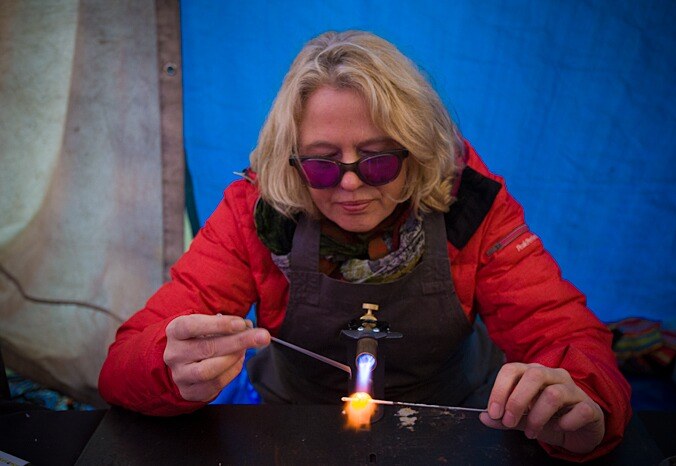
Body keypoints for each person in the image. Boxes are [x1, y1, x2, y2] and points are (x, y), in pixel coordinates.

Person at [98, 30, 631, 461]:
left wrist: (581, 401)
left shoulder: (469, 205)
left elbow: (564, 333)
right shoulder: (257, 213)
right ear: (291, 160)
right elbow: (124, 364)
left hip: (459, 424)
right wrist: (166, 367)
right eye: (322, 164)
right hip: (296, 431)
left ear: (416, 149)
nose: (351, 185)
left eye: (378, 160)